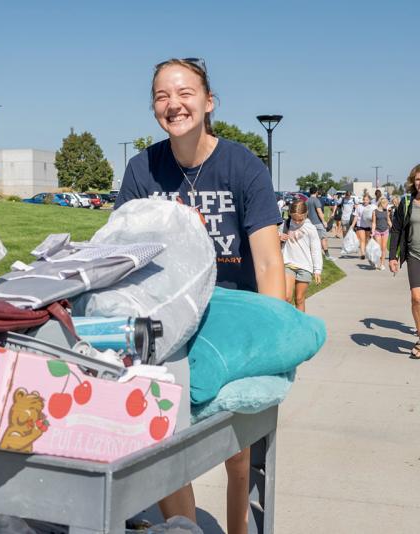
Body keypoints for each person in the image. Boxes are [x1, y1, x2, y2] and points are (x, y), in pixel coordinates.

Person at [115, 57, 285, 534]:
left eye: (186, 92)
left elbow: (270, 262)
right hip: (166, 323)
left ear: (209, 102)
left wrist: (271, 339)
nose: (174, 104)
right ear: (153, 108)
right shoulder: (141, 170)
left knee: (237, 456)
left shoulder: (243, 166)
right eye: (162, 96)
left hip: (230, 316)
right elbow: (123, 255)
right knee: (163, 444)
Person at [388, 164, 420, 359]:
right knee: (416, 298)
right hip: (414, 256)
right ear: (413, 181)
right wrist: (393, 256)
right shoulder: (407, 202)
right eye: (417, 179)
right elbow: (397, 229)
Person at [280, 200, 323, 311]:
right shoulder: (286, 223)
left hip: (305, 267)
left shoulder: (311, 228)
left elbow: (316, 249)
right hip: (288, 263)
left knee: (299, 299)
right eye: (294, 219)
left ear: (306, 214)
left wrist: (317, 269)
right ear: (290, 214)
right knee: (286, 297)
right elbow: (275, 236)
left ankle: (301, 325)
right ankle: (288, 323)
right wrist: (279, 236)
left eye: (300, 219)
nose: (297, 222)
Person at [306, 186, 330, 259]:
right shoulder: (316, 200)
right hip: (318, 223)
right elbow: (319, 212)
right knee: (323, 238)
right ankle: (327, 255)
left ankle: (312, 255)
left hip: (310, 223)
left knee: (312, 240)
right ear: (316, 192)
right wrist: (324, 221)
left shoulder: (307, 201)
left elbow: (306, 213)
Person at [352, 193, 375, 260]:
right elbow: (356, 216)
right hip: (360, 225)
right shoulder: (359, 207)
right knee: (362, 240)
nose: (365, 201)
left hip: (368, 226)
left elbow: (374, 217)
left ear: (369, 200)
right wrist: (353, 224)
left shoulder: (371, 207)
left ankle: (365, 251)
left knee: (367, 240)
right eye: (364, 199)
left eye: (367, 200)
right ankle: (362, 253)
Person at [371, 196, 391, 271]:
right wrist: (372, 232)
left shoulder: (387, 211)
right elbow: (373, 223)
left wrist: (393, 227)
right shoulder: (374, 211)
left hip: (385, 231)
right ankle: (376, 261)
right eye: (386, 204)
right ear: (382, 204)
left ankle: (382, 264)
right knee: (378, 248)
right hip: (377, 231)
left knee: (383, 248)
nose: (387, 205)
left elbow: (388, 221)